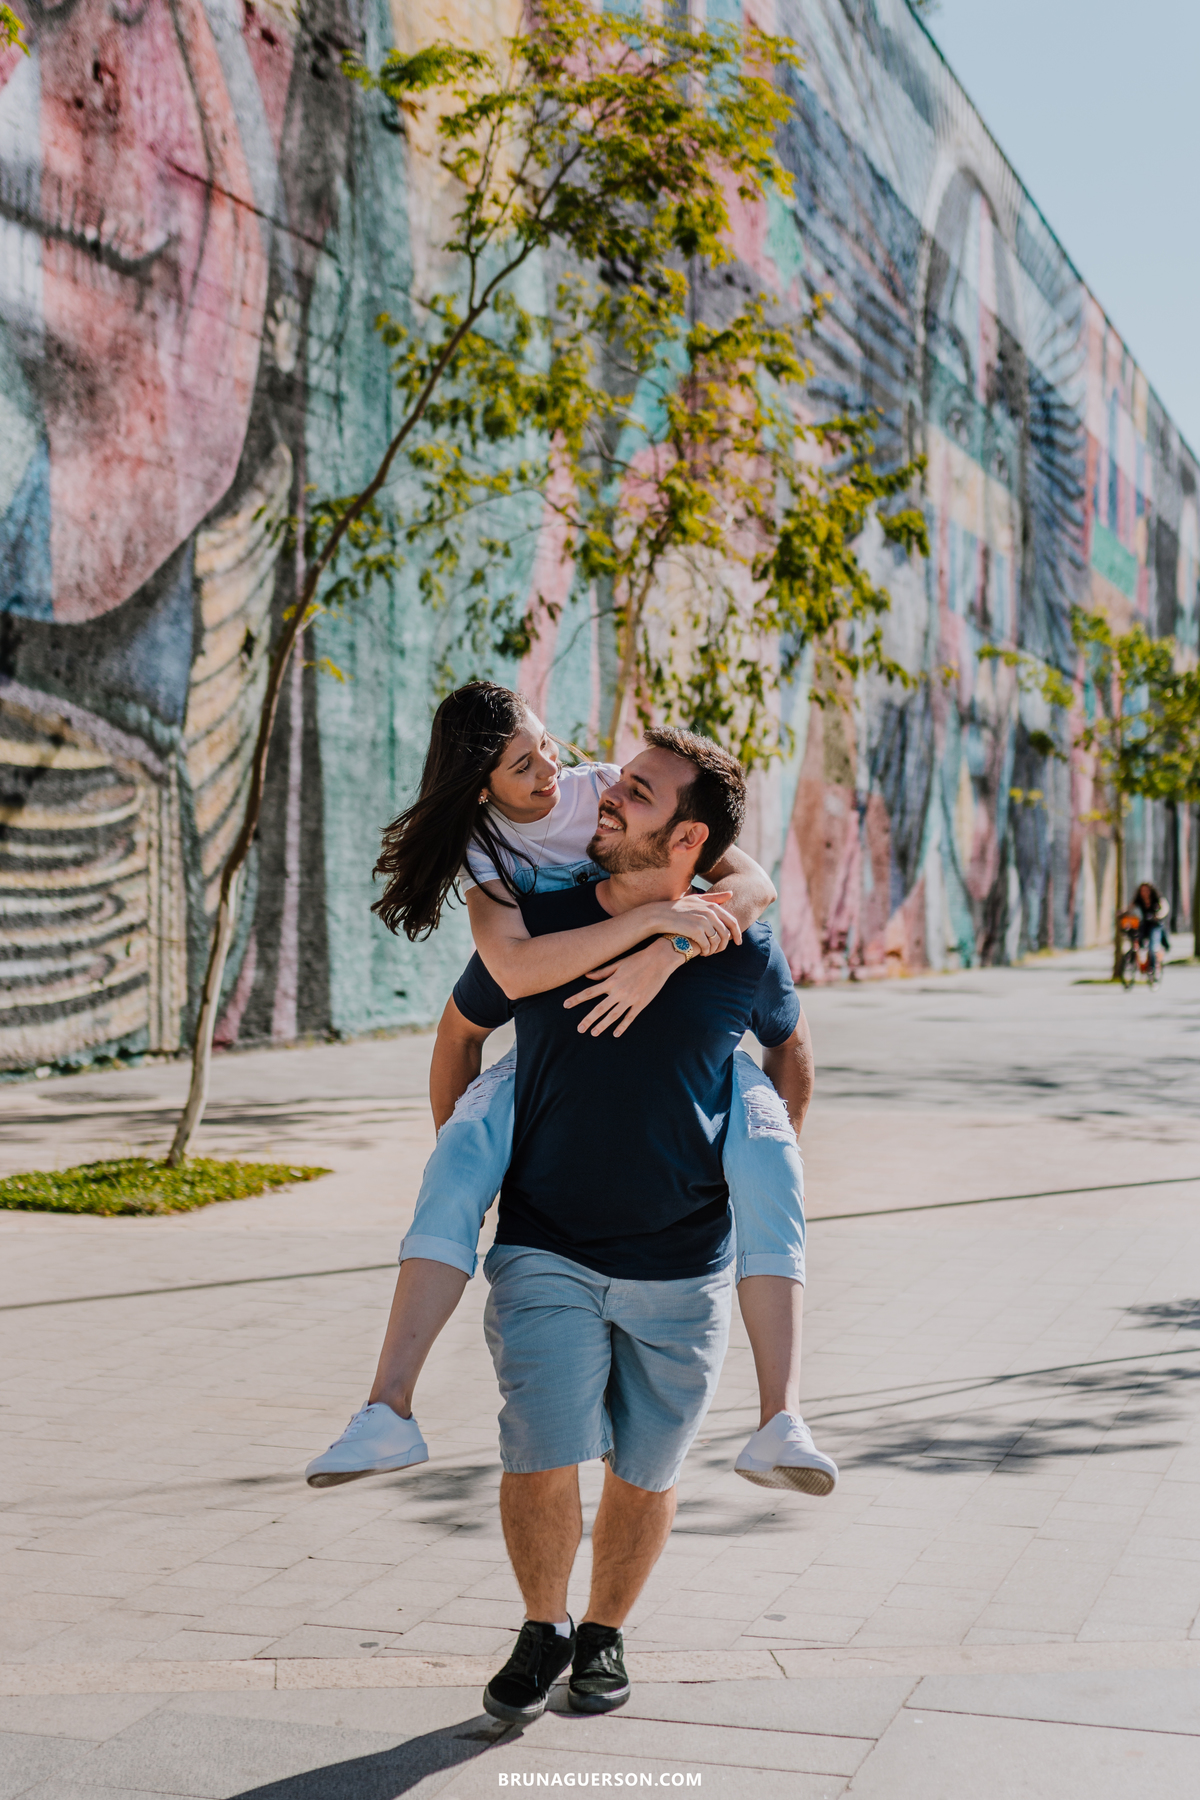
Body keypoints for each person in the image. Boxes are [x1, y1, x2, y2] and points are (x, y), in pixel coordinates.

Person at [304, 683, 835, 1501]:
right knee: (458, 1160)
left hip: (680, 1250)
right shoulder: (510, 882)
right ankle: (388, 1408)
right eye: (526, 763)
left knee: (771, 1156)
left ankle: (783, 1418)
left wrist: (670, 950)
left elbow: (756, 898)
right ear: (486, 788)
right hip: (547, 1208)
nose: (574, 776)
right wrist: (644, 933)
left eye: (550, 748)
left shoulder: (609, 809)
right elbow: (495, 989)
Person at [470, 726, 810, 1721]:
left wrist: (769, 1159)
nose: (605, 793)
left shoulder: (740, 945)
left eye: (640, 791)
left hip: (684, 1253)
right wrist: (462, 1161)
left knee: (647, 1467)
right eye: (618, 779)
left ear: (689, 835)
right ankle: (543, 1628)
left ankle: (604, 1635)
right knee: (538, 1449)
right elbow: (464, 1025)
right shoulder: (545, 915)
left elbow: (792, 1049)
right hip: (544, 1241)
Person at [1131, 881, 1170, 976]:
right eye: (1142, 890)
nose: (1144, 893)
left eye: (1146, 890)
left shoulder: (1157, 899)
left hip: (1155, 925)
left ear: (1151, 891)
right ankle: (1136, 963)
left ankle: (1151, 968)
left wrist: (1158, 915)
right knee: (1137, 942)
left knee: (1152, 946)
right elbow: (1129, 908)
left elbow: (1165, 908)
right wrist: (1122, 912)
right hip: (1145, 924)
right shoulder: (1139, 900)